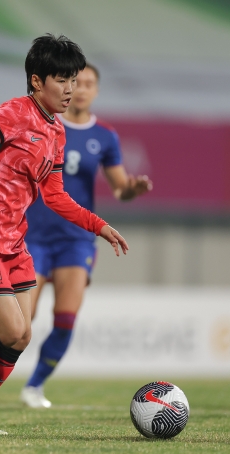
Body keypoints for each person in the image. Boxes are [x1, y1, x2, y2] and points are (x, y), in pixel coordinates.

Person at [0, 34, 128, 435]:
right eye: (62, 79)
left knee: (21, 336)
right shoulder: (15, 113)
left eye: (74, 80)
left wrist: (98, 225)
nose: (70, 89)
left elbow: (55, 197)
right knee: (12, 330)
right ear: (37, 81)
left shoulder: (57, 133)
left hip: (13, 244)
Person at [20, 64, 152, 408]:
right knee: (21, 321)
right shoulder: (43, 124)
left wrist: (132, 189)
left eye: (88, 83)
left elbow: (119, 188)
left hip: (76, 240)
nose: (80, 89)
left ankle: (34, 386)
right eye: (74, 82)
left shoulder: (105, 136)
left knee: (65, 318)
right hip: (33, 234)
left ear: (96, 90)